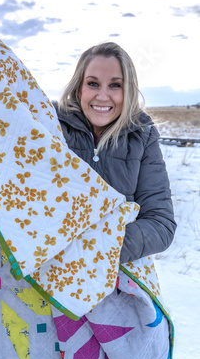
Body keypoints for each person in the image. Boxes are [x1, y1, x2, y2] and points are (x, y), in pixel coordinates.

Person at [55, 41, 176, 264]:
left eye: (115, 85)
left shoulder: (143, 135)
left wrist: (98, 250)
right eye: (93, 83)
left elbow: (161, 223)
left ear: (128, 89)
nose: (102, 96)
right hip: (46, 268)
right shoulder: (50, 124)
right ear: (79, 86)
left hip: (112, 275)